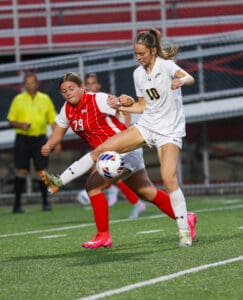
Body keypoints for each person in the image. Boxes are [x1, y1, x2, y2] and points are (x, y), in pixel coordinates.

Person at [40, 70, 197, 248]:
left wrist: (124, 105)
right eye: (64, 91)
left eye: (71, 88)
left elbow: (124, 105)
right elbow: (58, 133)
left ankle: (103, 234)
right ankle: (187, 217)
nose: (68, 93)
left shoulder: (97, 99)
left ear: (82, 87)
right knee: (147, 193)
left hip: (122, 151)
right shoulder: (67, 110)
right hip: (110, 154)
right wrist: (49, 145)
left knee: (93, 185)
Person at [81, 72, 146, 218]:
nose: (91, 86)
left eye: (93, 83)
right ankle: (132, 200)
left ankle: (119, 196)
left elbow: (125, 114)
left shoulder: (107, 99)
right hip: (105, 144)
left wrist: (123, 135)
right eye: (88, 84)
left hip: (119, 144)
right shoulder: (87, 105)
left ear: (98, 85)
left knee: (102, 173)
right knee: (112, 174)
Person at [7, 72, 61, 213]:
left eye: (33, 82)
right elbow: (11, 121)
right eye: (28, 83)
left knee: (41, 171)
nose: (31, 85)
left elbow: (53, 121)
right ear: (24, 85)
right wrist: (20, 124)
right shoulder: (18, 99)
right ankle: (17, 205)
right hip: (22, 140)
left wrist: (57, 142)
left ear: (37, 84)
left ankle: (45, 203)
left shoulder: (45, 99)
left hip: (40, 140)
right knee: (21, 171)